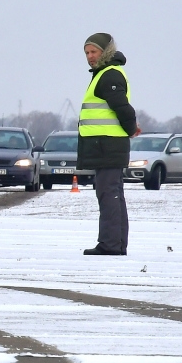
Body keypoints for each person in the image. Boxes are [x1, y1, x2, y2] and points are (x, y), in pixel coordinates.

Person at [77, 32, 138, 256]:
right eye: (87, 53)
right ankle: (116, 243)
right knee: (112, 194)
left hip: (107, 146)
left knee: (108, 194)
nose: (90, 57)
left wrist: (131, 129)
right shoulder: (104, 74)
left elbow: (123, 108)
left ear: (106, 52)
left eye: (94, 52)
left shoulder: (109, 75)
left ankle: (110, 244)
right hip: (104, 146)